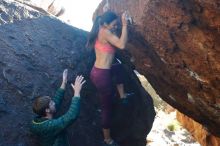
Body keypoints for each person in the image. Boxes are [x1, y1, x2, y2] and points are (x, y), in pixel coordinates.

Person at [87, 11, 131, 146]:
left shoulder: (100, 28)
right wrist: (124, 25)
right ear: (105, 24)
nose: (116, 26)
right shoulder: (106, 32)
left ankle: (122, 95)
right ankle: (107, 139)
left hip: (97, 71)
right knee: (107, 107)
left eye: (117, 24)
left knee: (117, 66)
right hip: (102, 76)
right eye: (114, 24)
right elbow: (122, 45)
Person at [30, 69, 86, 146]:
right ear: (47, 110)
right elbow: (71, 116)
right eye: (51, 103)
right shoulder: (49, 126)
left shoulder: (39, 120)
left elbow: (57, 99)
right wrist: (76, 93)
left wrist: (64, 82)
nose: (54, 103)